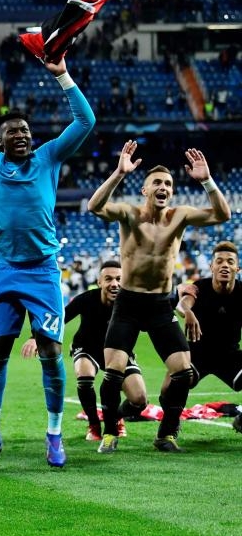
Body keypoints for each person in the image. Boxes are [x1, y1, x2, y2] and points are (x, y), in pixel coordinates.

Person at [0, 40, 95, 468]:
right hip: (7, 269)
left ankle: (54, 436)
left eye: (27, 132)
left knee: (50, 353)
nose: (23, 136)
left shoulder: (48, 157)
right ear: (1, 139)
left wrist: (61, 73)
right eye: (15, 132)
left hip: (44, 272)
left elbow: (85, 120)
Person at [88, 140, 230, 452]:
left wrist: (206, 180)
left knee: (182, 371)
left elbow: (223, 214)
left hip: (158, 304)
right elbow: (94, 206)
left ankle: (165, 434)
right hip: (127, 303)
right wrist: (118, 173)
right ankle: (110, 432)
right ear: (145, 190)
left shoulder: (180, 216)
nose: (163, 187)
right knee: (113, 372)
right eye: (157, 182)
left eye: (168, 183)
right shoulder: (129, 213)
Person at [20, 260, 146, 441]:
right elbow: (59, 320)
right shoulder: (86, 299)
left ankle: (115, 417)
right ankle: (94, 424)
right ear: (99, 281)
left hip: (119, 352)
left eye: (119, 279)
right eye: (108, 279)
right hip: (87, 348)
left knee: (139, 399)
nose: (114, 284)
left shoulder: (131, 303)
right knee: (85, 376)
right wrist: (35, 337)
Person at [177, 241, 242, 434]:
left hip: (230, 356)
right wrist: (187, 311)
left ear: (237, 268)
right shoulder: (199, 287)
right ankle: (169, 428)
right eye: (219, 261)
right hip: (198, 354)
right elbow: (183, 303)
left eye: (230, 262)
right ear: (211, 266)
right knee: (172, 382)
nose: (224, 265)